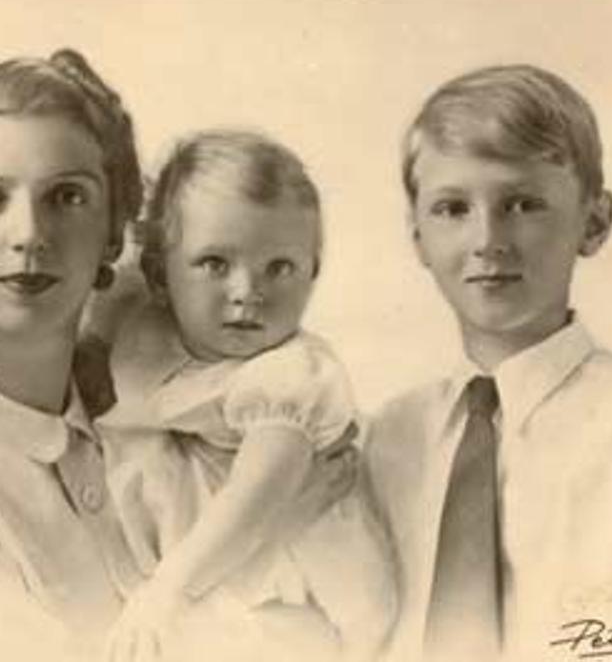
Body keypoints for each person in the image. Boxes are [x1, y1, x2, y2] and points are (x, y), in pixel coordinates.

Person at [0, 50, 356, 662]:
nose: (29, 234)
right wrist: (264, 540)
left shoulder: (161, 398)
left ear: (113, 232)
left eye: (67, 197)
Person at [364, 65, 612, 661]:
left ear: (596, 221)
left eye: (523, 204)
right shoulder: (386, 440)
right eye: (452, 208)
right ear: (417, 238)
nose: (488, 239)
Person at [85, 129, 397, 662]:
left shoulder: (290, 375)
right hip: (199, 584)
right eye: (215, 264)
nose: (248, 292)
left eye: (280, 268)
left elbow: (255, 498)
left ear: (313, 274)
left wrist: (166, 593)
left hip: (297, 595)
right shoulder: (143, 331)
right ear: (160, 276)